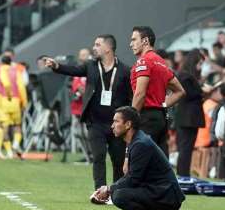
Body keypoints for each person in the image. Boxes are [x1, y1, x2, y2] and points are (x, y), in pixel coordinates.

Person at [45, 35, 132, 191]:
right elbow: (73, 70)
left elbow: (130, 96)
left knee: (118, 159)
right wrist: (56, 66)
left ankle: (118, 192)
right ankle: (100, 190)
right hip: (95, 122)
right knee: (98, 157)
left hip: (117, 124)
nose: (94, 47)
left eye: (98, 44)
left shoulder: (125, 71)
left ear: (108, 48)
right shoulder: (91, 66)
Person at [93, 106, 185, 210]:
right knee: (119, 192)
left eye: (116, 121)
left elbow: (133, 179)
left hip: (168, 196)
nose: (112, 126)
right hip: (159, 191)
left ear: (128, 124)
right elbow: (133, 178)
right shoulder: (136, 140)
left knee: (119, 196)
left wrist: (109, 189)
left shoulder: (141, 144)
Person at [129, 26, 185, 155]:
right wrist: (162, 105)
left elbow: (139, 94)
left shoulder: (144, 61)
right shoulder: (161, 62)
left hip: (145, 117)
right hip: (160, 118)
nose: (131, 44)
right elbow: (180, 91)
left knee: (139, 161)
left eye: (134, 39)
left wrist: (130, 118)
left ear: (145, 41)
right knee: (159, 162)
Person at [174, 50, 206, 177]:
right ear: (193, 63)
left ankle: (183, 173)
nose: (200, 67)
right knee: (185, 148)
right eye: (199, 64)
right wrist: (202, 92)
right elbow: (189, 95)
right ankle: (183, 175)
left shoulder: (184, 76)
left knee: (186, 148)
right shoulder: (185, 77)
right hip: (188, 118)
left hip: (186, 117)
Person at [0, 53, 28, 157]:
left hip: (4, 100)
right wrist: (24, 102)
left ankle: (9, 152)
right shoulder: (16, 71)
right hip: (15, 101)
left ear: (2, 62)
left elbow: (3, 84)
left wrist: (8, 94)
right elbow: (21, 88)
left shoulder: (1, 70)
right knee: (17, 125)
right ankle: (16, 143)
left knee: (4, 127)